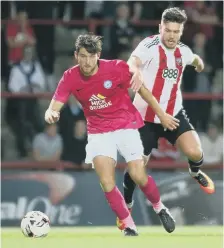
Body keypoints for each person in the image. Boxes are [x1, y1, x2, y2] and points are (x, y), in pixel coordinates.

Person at [45, 34, 180, 236]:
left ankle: (160, 207)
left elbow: (142, 91)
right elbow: (55, 104)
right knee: (107, 182)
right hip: (99, 132)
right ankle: (129, 225)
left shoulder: (116, 68)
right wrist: (51, 112)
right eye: (82, 56)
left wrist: (161, 114)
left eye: (91, 56)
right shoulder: (70, 76)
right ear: (76, 56)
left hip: (126, 125)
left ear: (98, 55)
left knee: (138, 174)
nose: (87, 61)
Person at [117, 7, 215, 230]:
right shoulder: (149, 46)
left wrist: (199, 64)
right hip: (145, 118)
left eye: (176, 31)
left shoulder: (183, 51)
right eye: (168, 30)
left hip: (174, 113)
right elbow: (133, 62)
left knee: (195, 152)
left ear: (181, 31)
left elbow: (195, 59)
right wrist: (136, 71)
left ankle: (195, 171)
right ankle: (128, 204)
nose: (171, 35)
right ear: (160, 28)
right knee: (137, 169)